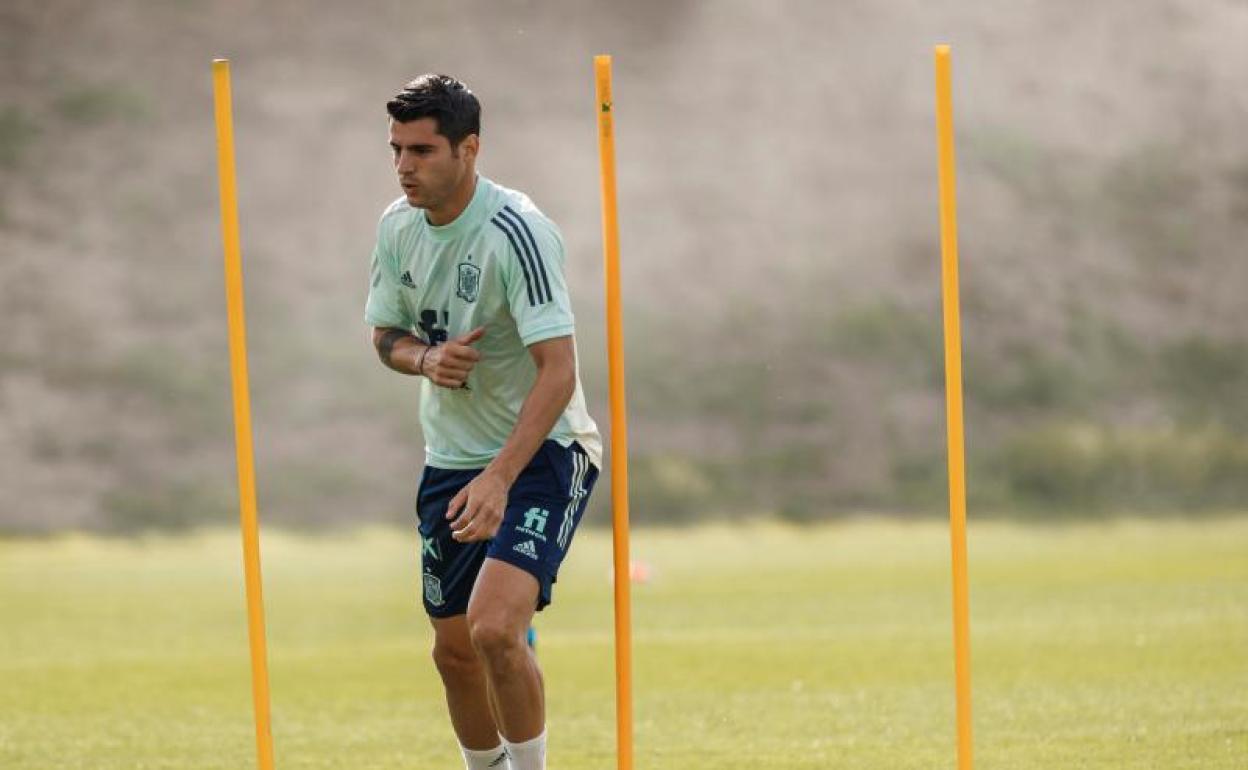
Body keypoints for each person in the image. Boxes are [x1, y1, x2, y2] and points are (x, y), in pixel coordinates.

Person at [364, 73, 602, 770]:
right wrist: (425, 358)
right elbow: (384, 337)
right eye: (397, 150)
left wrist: (501, 478)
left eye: (423, 150)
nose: (405, 166)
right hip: (451, 458)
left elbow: (558, 371)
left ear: (469, 149)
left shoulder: (517, 232)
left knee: (496, 631)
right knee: (454, 652)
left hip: (544, 453)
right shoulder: (396, 227)